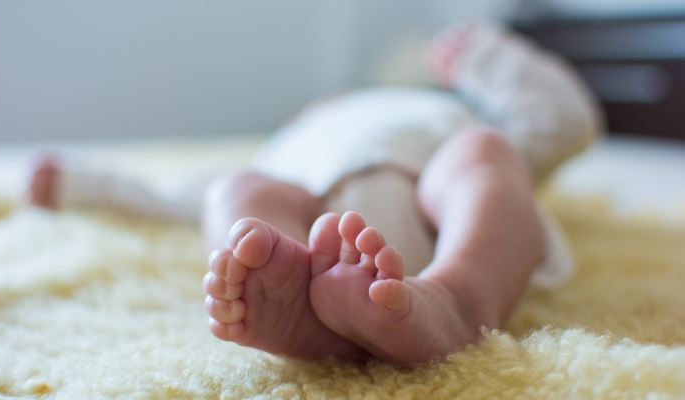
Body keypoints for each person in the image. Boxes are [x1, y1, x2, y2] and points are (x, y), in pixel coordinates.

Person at [29, 23, 602, 365]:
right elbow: (175, 194)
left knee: (483, 156)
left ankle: (461, 299)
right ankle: (303, 304)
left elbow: (566, 119)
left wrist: (484, 58)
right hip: (313, 242)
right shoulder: (286, 148)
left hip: (444, 222)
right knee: (235, 192)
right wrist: (90, 184)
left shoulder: (445, 114)